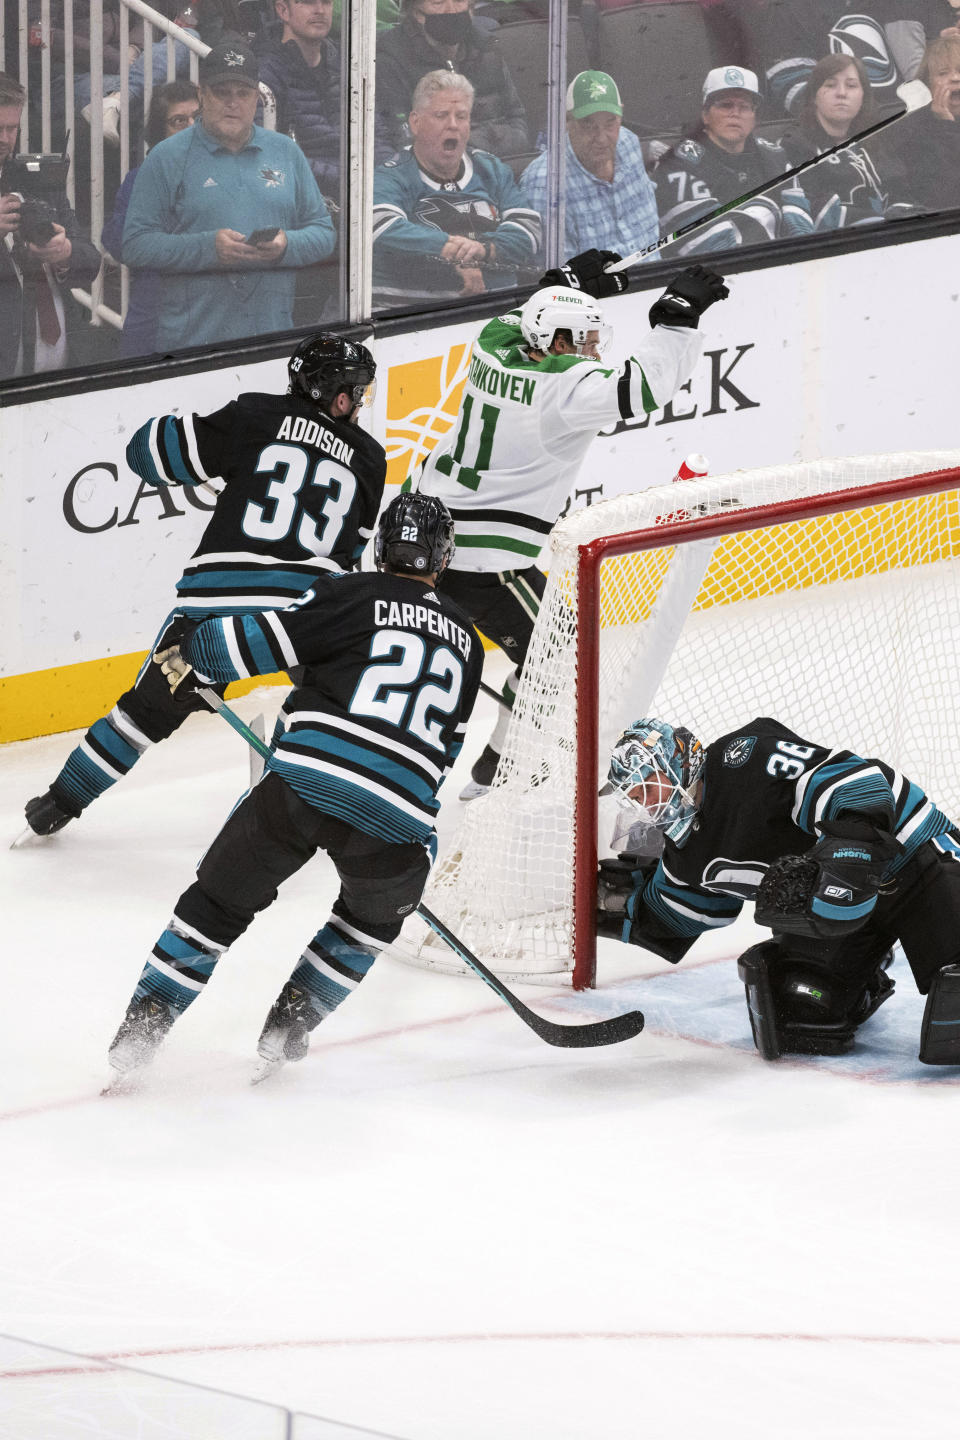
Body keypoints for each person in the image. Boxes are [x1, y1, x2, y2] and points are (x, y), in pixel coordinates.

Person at [104, 492, 483, 1085]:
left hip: (304, 785)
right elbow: (447, 751)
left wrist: (194, 652)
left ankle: (142, 1028)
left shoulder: (351, 592)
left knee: (217, 904)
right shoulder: (467, 638)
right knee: (370, 922)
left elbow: (249, 645)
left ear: (381, 546)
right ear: (444, 557)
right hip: (399, 814)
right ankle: (288, 1027)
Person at [21, 333, 384, 840]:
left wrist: (189, 444)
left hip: (215, 611)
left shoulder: (255, 415)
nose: (360, 404)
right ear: (340, 396)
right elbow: (350, 559)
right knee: (334, 705)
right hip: (305, 614)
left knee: (143, 714)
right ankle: (313, 798)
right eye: (357, 393)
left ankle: (57, 805)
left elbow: (145, 453)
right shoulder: (370, 458)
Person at [412, 248, 728, 798]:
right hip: (482, 559)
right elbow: (640, 388)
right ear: (557, 343)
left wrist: (566, 286)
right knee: (560, 648)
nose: (594, 351)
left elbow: (523, 314)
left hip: (420, 532)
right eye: (584, 340)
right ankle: (500, 770)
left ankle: (495, 759)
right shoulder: (566, 390)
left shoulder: (494, 344)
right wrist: (675, 321)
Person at [596, 715, 960, 1064]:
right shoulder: (684, 852)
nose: (646, 803)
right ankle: (864, 974)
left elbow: (859, 782)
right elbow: (685, 912)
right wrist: (614, 904)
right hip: (843, 911)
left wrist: (848, 859)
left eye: (648, 786)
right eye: (635, 796)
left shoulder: (742, 759)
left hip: (912, 860)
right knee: (799, 1003)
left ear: (678, 761)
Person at [120, 40, 336, 353]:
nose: (232, 103)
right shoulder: (165, 157)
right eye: (222, 92)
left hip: (271, 342)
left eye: (243, 93)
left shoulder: (286, 152)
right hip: (192, 346)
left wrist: (285, 245)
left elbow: (323, 232)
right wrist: (208, 248)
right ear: (201, 94)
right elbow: (135, 245)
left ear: (257, 99)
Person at [372, 70, 541, 307]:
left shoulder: (491, 169)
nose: (453, 125)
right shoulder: (392, 175)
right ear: (415, 122)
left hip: (495, 316)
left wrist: (482, 250)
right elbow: (381, 227)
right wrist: (447, 249)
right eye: (441, 115)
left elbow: (528, 230)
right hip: (410, 320)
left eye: (461, 116)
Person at [0, 71, 102, 380]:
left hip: (60, 372)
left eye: (11, 128)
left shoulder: (39, 179)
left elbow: (91, 260)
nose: (4, 139)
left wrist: (65, 252)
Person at [653, 65, 814, 254]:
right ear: (705, 115)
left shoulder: (775, 156)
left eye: (744, 106)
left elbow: (801, 230)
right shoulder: (677, 165)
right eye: (725, 105)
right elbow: (712, 249)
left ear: (753, 118)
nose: (735, 113)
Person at [101, 80, 200, 358]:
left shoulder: (233, 172)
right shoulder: (142, 178)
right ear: (161, 132)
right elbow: (117, 240)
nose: (191, 127)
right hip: (157, 317)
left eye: (198, 118)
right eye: (179, 120)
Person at [520, 71, 660, 262]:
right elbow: (560, 280)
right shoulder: (545, 183)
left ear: (621, 115)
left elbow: (651, 234)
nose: (601, 138)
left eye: (610, 123)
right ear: (567, 122)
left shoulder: (628, 143)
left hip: (658, 278)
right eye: (588, 124)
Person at [375, 0, 528, 158]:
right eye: (438, 3)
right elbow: (402, 137)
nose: (451, 10)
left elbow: (516, 114)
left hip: (505, 164)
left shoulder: (486, 47)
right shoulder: (391, 59)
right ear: (415, 12)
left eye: (459, 0)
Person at [779, 52, 916, 227]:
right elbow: (814, 210)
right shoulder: (795, 145)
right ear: (814, 96)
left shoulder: (876, 138)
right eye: (830, 85)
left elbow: (901, 192)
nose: (842, 93)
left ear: (863, 97)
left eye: (851, 86)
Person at [871, 32, 960, 212]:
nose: (955, 78)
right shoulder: (910, 132)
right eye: (943, 73)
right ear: (927, 83)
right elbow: (941, 197)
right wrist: (945, 126)